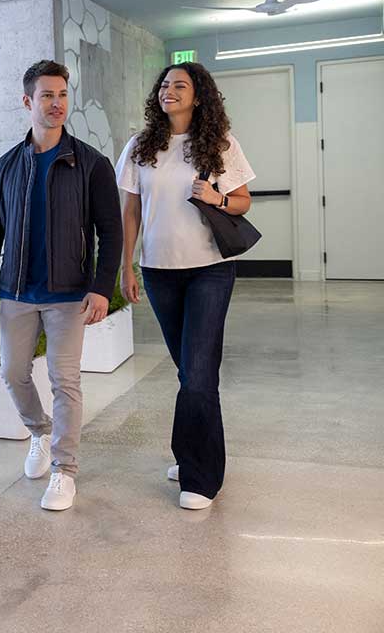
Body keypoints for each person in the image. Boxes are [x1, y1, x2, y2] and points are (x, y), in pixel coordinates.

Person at [0, 59, 123, 511]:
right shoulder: (5, 167)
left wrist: (101, 287)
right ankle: (38, 432)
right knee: (12, 373)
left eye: (62, 95)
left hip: (68, 295)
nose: (57, 104)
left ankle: (64, 470)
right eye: (47, 96)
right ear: (27, 102)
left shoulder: (91, 164)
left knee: (65, 380)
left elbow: (110, 231)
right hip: (17, 292)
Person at [115, 60, 255, 510]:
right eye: (164, 85)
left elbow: (243, 200)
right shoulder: (140, 146)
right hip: (159, 271)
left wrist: (216, 197)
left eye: (180, 85)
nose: (168, 91)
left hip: (209, 269)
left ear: (199, 96)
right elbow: (131, 212)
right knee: (189, 371)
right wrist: (127, 266)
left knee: (198, 374)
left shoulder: (219, 143)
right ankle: (190, 452)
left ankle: (201, 477)